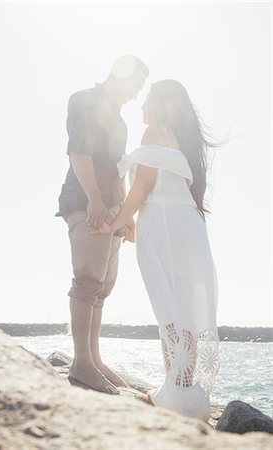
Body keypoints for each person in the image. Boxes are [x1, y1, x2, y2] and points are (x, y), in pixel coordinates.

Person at [93, 79, 220, 420]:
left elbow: (144, 185)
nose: (142, 106)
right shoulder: (184, 143)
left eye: (147, 99)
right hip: (189, 227)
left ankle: (174, 395)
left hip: (162, 224)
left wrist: (116, 221)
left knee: (168, 308)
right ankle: (184, 389)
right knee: (185, 311)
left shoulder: (153, 133)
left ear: (161, 104)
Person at [55, 55, 149, 394]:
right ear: (121, 75)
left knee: (103, 286)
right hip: (85, 203)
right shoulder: (85, 100)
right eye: (136, 85)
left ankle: (93, 358)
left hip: (110, 209)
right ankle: (81, 364)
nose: (137, 94)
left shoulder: (121, 123)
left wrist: (126, 215)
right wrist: (94, 197)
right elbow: (79, 151)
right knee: (87, 279)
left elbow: (118, 168)